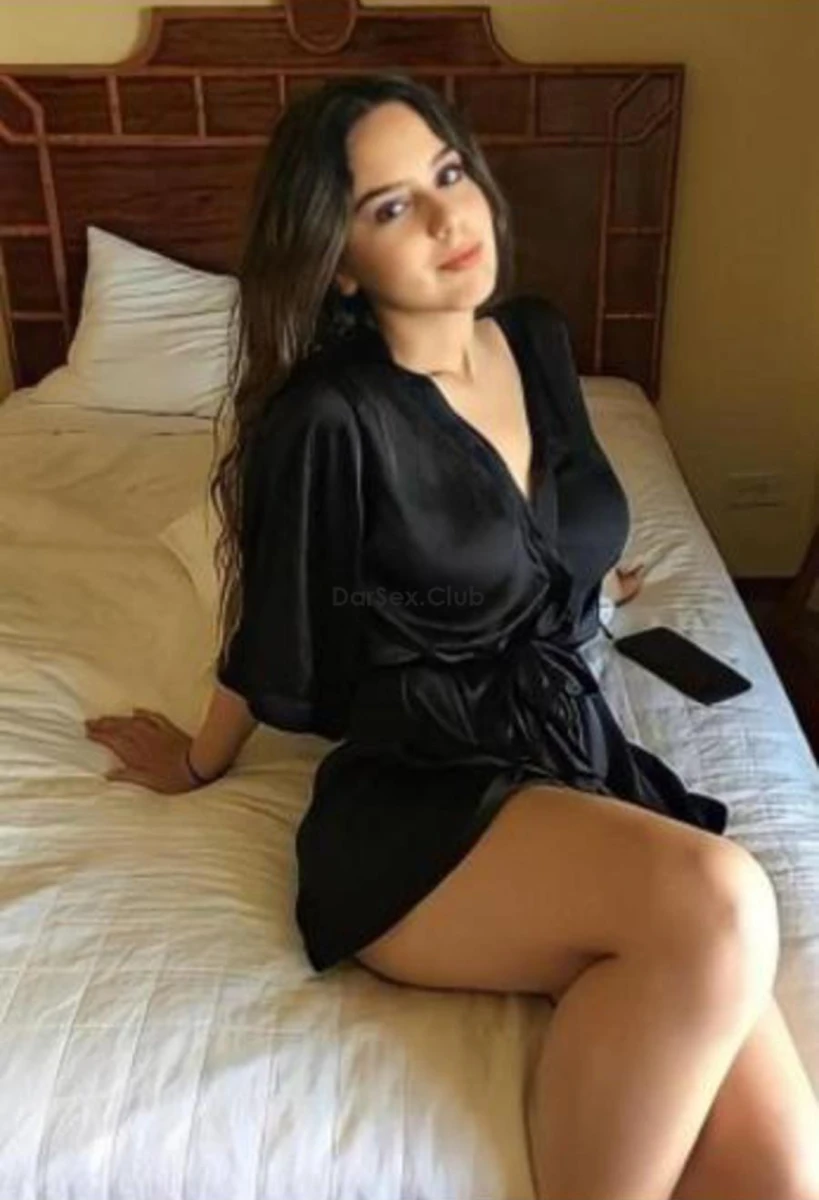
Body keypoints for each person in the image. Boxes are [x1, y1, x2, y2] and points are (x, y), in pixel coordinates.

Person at [85, 75, 819, 1200]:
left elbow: (556, 516)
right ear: (339, 262)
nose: (445, 216)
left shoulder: (536, 339)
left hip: (573, 762)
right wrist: (195, 759)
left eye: (446, 173)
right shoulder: (330, 419)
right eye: (390, 206)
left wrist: (573, 574)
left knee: (782, 1173)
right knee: (723, 903)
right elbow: (277, 630)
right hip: (423, 805)